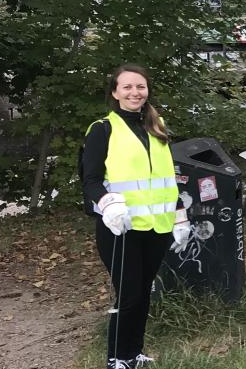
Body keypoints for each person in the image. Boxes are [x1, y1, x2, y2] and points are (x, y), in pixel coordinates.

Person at [83, 65, 191, 369]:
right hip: (121, 227)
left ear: (147, 91)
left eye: (140, 87)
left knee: (143, 293)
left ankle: (133, 354)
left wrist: (180, 218)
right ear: (115, 92)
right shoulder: (102, 129)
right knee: (128, 294)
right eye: (127, 87)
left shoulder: (157, 126)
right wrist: (107, 204)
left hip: (157, 227)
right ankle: (116, 359)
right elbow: (89, 180)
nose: (135, 92)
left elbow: (169, 177)